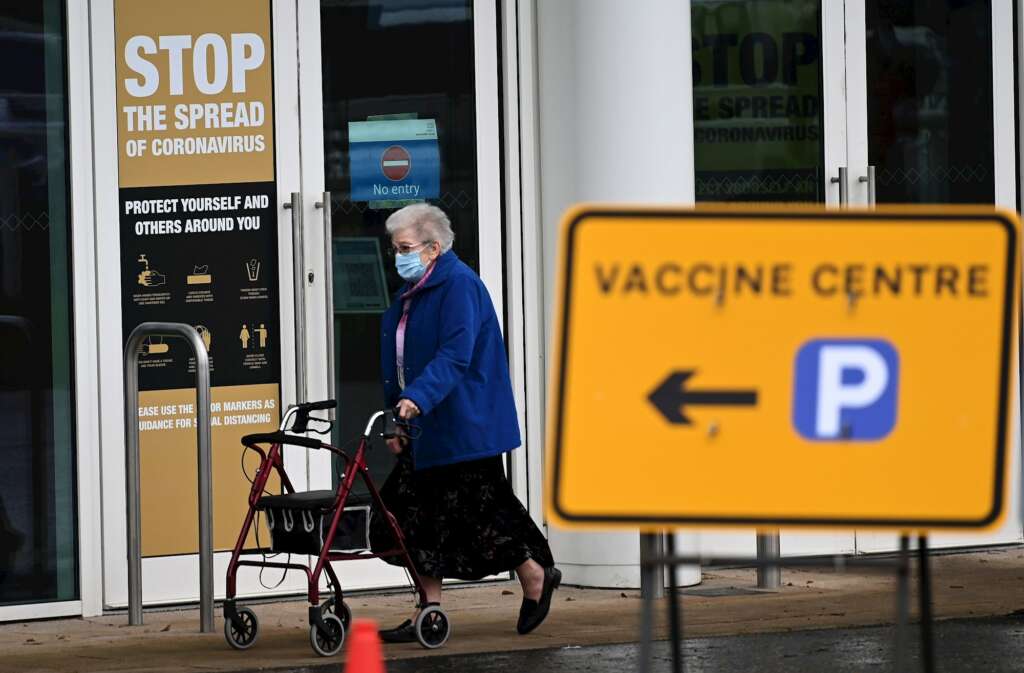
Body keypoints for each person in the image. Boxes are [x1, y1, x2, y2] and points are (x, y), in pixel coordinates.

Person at [369, 203, 560, 641]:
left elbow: (455, 354)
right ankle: (429, 611)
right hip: (425, 424)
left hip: (465, 425)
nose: (397, 255)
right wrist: (397, 416)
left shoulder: (459, 286)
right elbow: (399, 360)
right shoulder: (416, 290)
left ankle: (534, 575)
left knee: (485, 512)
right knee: (410, 518)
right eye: (394, 248)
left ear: (433, 248)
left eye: (405, 247)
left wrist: (416, 398)